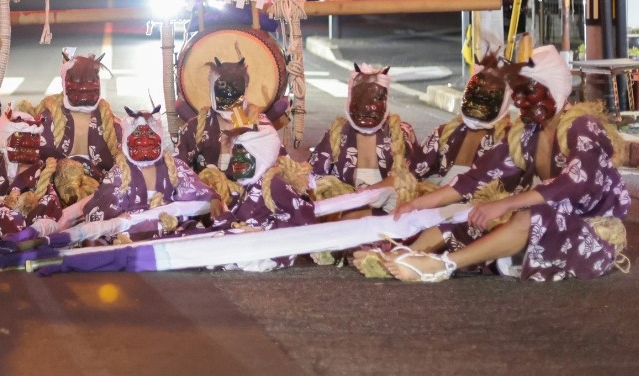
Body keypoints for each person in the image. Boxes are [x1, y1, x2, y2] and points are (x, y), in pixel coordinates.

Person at [383, 46, 631, 282]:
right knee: (467, 214)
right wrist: (415, 204)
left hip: (590, 238)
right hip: (545, 226)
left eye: (529, 92)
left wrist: (504, 204)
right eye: (517, 94)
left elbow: (572, 183)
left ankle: (443, 265)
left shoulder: (583, 125)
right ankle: (407, 255)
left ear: (554, 87)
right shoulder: (527, 132)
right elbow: (476, 178)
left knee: (528, 216)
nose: (520, 102)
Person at [74, 105, 216, 242]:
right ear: (126, 140)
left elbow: (198, 191)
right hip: (132, 232)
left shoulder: (175, 166)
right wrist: (120, 218)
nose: (144, 141)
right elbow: (101, 208)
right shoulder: (119, 173)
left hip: (174, 227)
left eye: (150, 134)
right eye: (136, 134)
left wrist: (213, 198)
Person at [198, 121, 315, 270]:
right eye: (235, 154)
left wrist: (264, 230)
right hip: (246, 240)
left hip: (265, 248)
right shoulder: (247, 187)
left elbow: (304, 220)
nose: (236, 161)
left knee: (211, 246)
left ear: (261, 156)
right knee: (200, 234)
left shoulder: (274, 185)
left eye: (244, 155)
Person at [309, 64, 420, 212]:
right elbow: (313, 176)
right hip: (344, 214)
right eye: (360, 98)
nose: (368, 107)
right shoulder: (337, 133)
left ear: (385, 100)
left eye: (375, 98)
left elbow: (410, 176)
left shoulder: (399, 132)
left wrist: (367, 193)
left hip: (388, 216)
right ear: (350, 99)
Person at [412, 49, 521, 186]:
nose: (479, 99)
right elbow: (409, 174)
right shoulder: (444, 133)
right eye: (474, 91)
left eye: (489, 95)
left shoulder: (511, 142)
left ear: (504, 100)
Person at [0, 101, 63, 242]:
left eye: (33, 138)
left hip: (28, 226)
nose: (27, 143)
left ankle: (24, 238)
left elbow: (52, 209)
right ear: (4, 142)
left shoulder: (41, 172)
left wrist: (33, 229)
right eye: (20, 137)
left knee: (46, 209)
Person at [35, 49, 123, 179]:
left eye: (90, 79)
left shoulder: (110, 123)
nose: (83, 86)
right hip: (55, 187)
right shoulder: (47, 120)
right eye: (77, 79)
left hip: (100, 189)